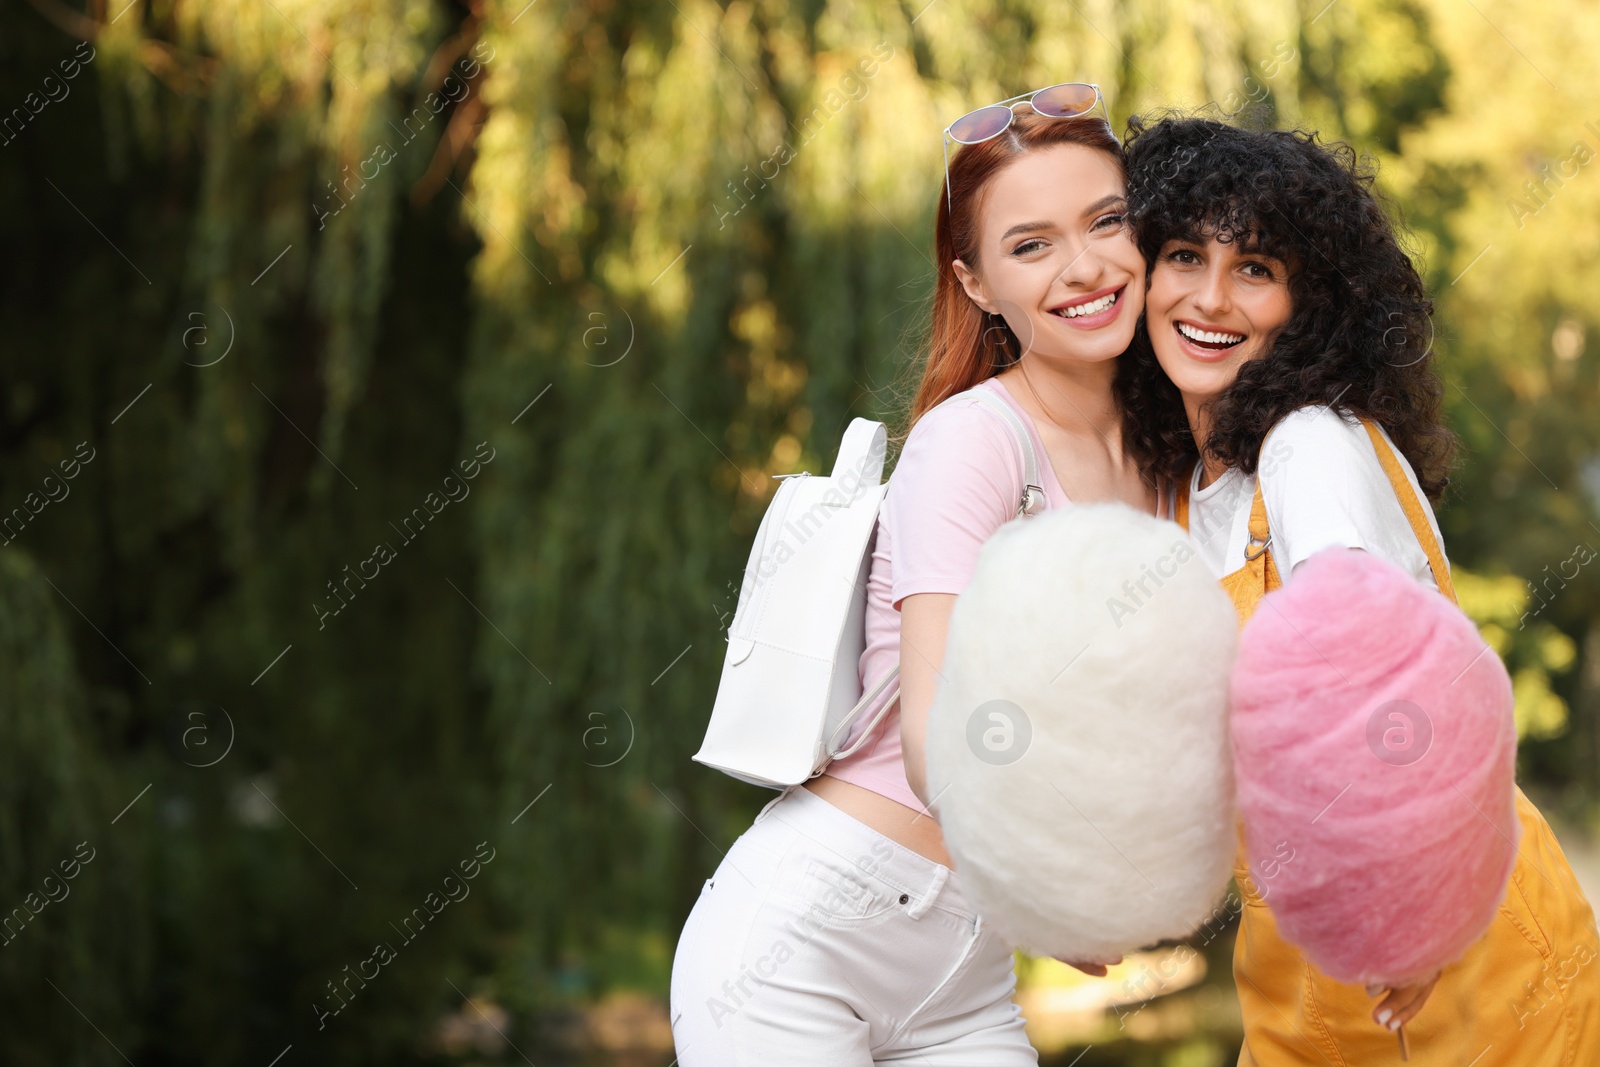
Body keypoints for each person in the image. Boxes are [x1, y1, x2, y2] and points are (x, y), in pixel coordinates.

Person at [669, 86, 1168, 1064]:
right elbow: (935, 730)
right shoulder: (972, 439)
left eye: (1106, 222)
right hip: (805, 939)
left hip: (967, 976)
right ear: (976, 282)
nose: (1084, 268)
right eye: (1030, 245)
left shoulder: (1167, 462)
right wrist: (1049, 894)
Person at [1121, 115, 1600, 1066]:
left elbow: (1387, 690)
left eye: (1255, 268)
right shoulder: (1184, 489)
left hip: (1453, 950)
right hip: (1299, 963)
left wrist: (1415, 909)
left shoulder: (1308, 446)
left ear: (1312, 304)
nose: (1210, 297)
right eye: (1183, 255)